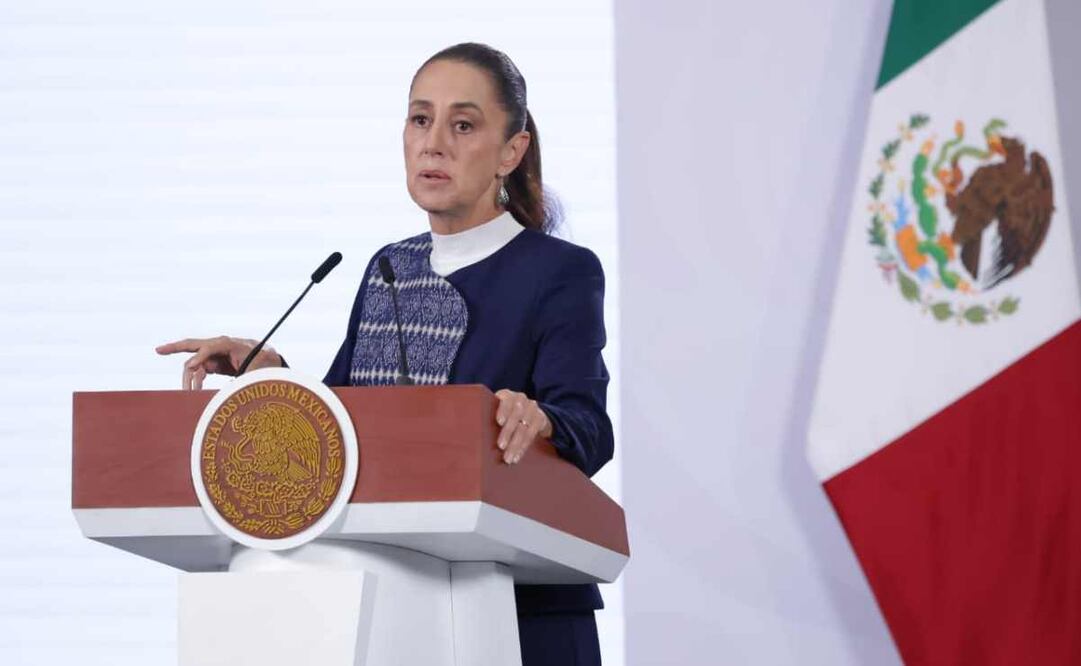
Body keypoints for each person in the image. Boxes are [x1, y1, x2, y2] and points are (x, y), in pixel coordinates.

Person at [157, 42, 613, 665]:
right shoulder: (389, 269)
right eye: (420, 119)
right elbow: (351, 432)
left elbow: (590, 427)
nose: (434, 144)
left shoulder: (559, 271)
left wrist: (543, 420)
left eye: (463, 125)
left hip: (519, 615)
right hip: (396, 613)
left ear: (512, 151)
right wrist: (274, 376)